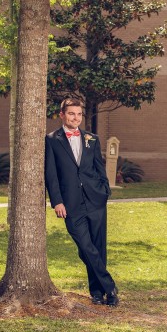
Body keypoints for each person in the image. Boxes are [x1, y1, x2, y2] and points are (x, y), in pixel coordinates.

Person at [45, 98, 120, 305]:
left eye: (79, 114)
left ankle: (97, 293)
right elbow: (51, 174)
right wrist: (57, 202)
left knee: (98, 246)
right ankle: (110, 286)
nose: (76, 118)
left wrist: (104, 192)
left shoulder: (92, 139)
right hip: (70, 204)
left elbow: (99, 168)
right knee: (85, 247)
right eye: (71, 114)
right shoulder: (52, 140)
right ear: (62, 115)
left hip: (95, 200)